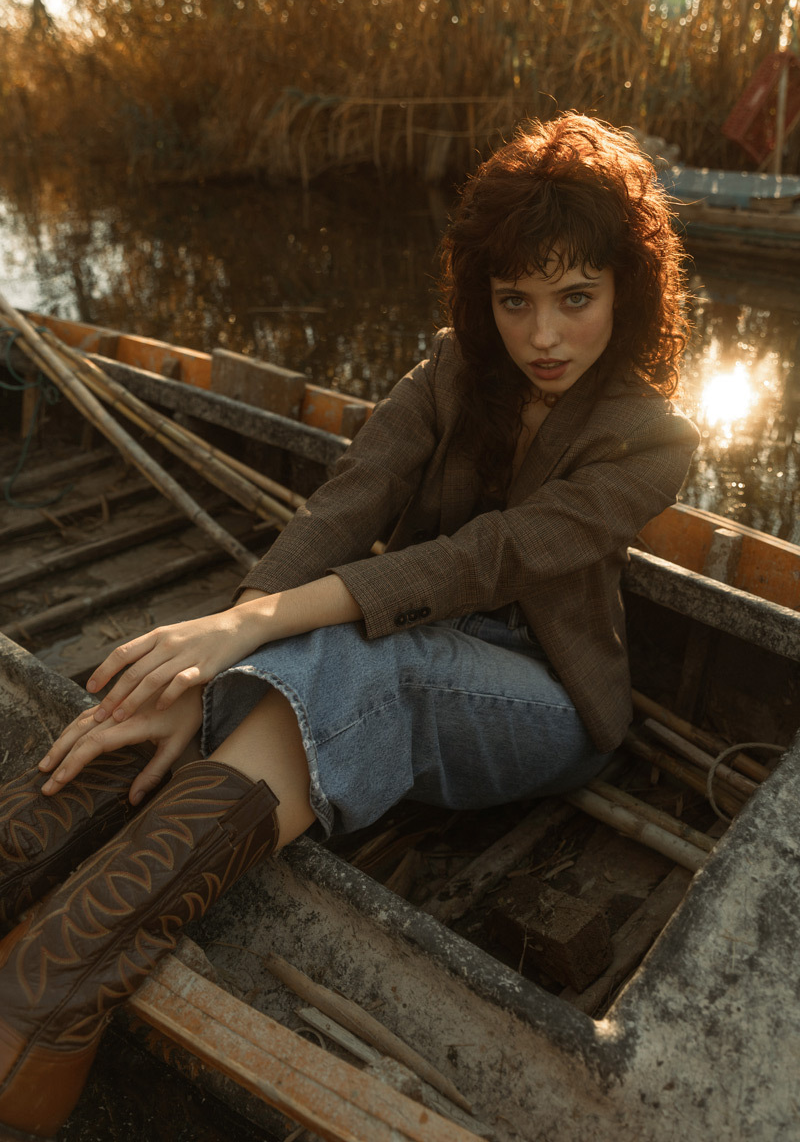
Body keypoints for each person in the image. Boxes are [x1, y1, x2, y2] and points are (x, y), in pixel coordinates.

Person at [0, 112, 699, 1138]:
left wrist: (251, 630)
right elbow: (344, 506)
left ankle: (42, 1002)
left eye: (574, 299)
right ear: (483, 293)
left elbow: (485, 560)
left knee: (358, 654)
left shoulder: (653, 437)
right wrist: (220, 645)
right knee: (246, 654)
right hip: (393, 634)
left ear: (623, 293)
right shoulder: (451, 372)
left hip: (541, 699)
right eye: (514, 300)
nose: (541, 335)